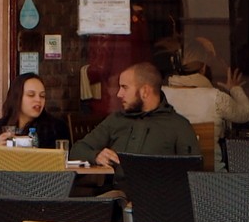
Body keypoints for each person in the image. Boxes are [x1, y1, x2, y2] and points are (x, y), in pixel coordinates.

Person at [70, 62, 199, 171]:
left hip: (160, 197)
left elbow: (193, 175)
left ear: (145, 91)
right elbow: (76, 150)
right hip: (116, 197)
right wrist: (96, 156)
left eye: (124, 88)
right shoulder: (116, 120)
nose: (119, 94)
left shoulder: (178, 126)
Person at [163, 38, 249, 146]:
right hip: (209, 163)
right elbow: (247, 113)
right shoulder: (216, 98)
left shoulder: (161, 95)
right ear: (204, 68)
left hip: (171, 163)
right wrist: (235, 88)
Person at [0, 73, 70, 155]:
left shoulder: (56, 128)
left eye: (42, 96)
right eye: (31, 95)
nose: (38, 100)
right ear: (17, 98)